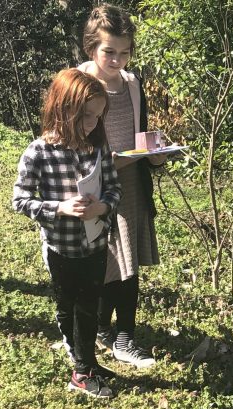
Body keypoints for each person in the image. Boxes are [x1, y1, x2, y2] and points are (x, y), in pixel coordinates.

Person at [13, 69, 122, 399]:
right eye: (86, 115)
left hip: (96, 241)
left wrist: (101, 208)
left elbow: (113, 189)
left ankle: (85, 363)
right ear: (63, 108)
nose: (92, 123)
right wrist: (59, 208)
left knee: (89, 304)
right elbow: (20, 199)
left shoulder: (96, 148)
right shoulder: (39, 152)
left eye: (98, 116)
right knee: (69, 306)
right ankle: (80, 369)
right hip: (61, 248)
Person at [79, 4, 167, 369]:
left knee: (128, 259)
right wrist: (135, 156)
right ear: (91, 49)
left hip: (130, 184)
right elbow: (71, 144)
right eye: (109, 52)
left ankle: (125, 336)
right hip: (93, 184)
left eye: (125, 52)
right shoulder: (76, 83)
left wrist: (156, 153)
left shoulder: (132, 84)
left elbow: (139, 134)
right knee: (104, 261)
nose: (117, 60)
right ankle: (101, 328)